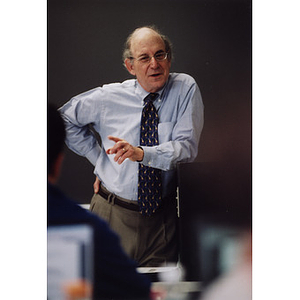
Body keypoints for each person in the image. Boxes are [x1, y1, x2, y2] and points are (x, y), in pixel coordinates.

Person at [59, 25, 204, 267]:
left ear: (169, 58)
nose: (154, 65)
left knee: (158, 291)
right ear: (130, 66)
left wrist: (141, 154)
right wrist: (100, 162)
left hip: (161, 222)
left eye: (160, 55)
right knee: (105, 290)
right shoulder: (108, 98)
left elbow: (186, 149)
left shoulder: (184, 88)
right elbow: (64, 119)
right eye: (144, 58)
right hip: (112, 215)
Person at [47, 104, 151, 300]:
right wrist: (106, 166)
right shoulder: (87, 229)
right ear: (59, 163)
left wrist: (105, 167)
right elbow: (139, 291)